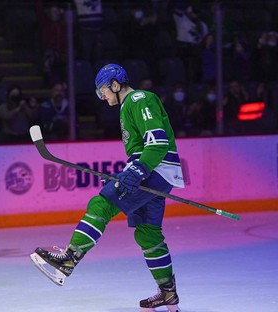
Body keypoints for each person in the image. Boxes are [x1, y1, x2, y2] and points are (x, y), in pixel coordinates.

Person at [31, 64, 184, 312]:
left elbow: (157, 143)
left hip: (156, 170)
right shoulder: (128, 106)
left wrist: (137, 171)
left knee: (101, 204)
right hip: (157, 172)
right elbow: (141, 152)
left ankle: (69, 259)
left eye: (103, 90)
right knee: (148, 233)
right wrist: (129, 171)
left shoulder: (138, 98)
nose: (102, 96)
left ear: (115, 84)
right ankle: (168, 294)